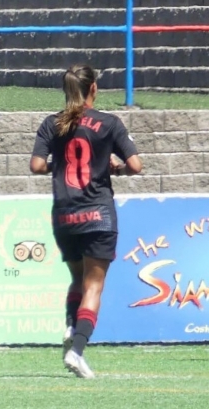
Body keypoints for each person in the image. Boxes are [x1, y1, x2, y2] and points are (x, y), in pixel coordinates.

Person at [30, 64, 142, 378]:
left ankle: (70, 324)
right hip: (98, 215)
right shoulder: (109, 123)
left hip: (64, 216)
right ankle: (77, 351)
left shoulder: (51, 124)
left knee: (77, 280)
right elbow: (136, 165)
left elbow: (37, 165)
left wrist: (59, 163)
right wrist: (113, 168)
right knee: (94, 287)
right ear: (93, 88)